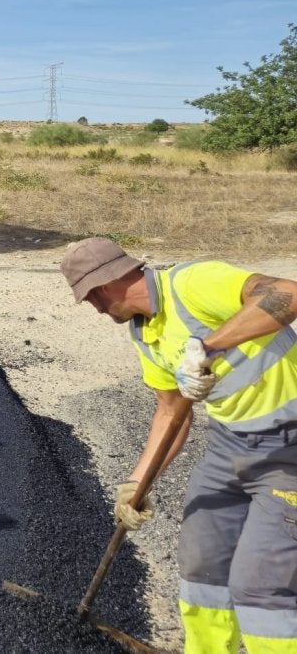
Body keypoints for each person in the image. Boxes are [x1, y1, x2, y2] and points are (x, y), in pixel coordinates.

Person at [60, 238, 297, 654]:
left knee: (263, 585)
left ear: (107, 283)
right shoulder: (144, 332)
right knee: (201, 567)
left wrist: (208, 346)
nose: (96, 308)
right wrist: (137, 484)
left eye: (93, 296)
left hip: (288, 451)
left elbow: (289, 294)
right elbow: (171, 412)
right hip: (229, 448)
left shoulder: (191, 284)